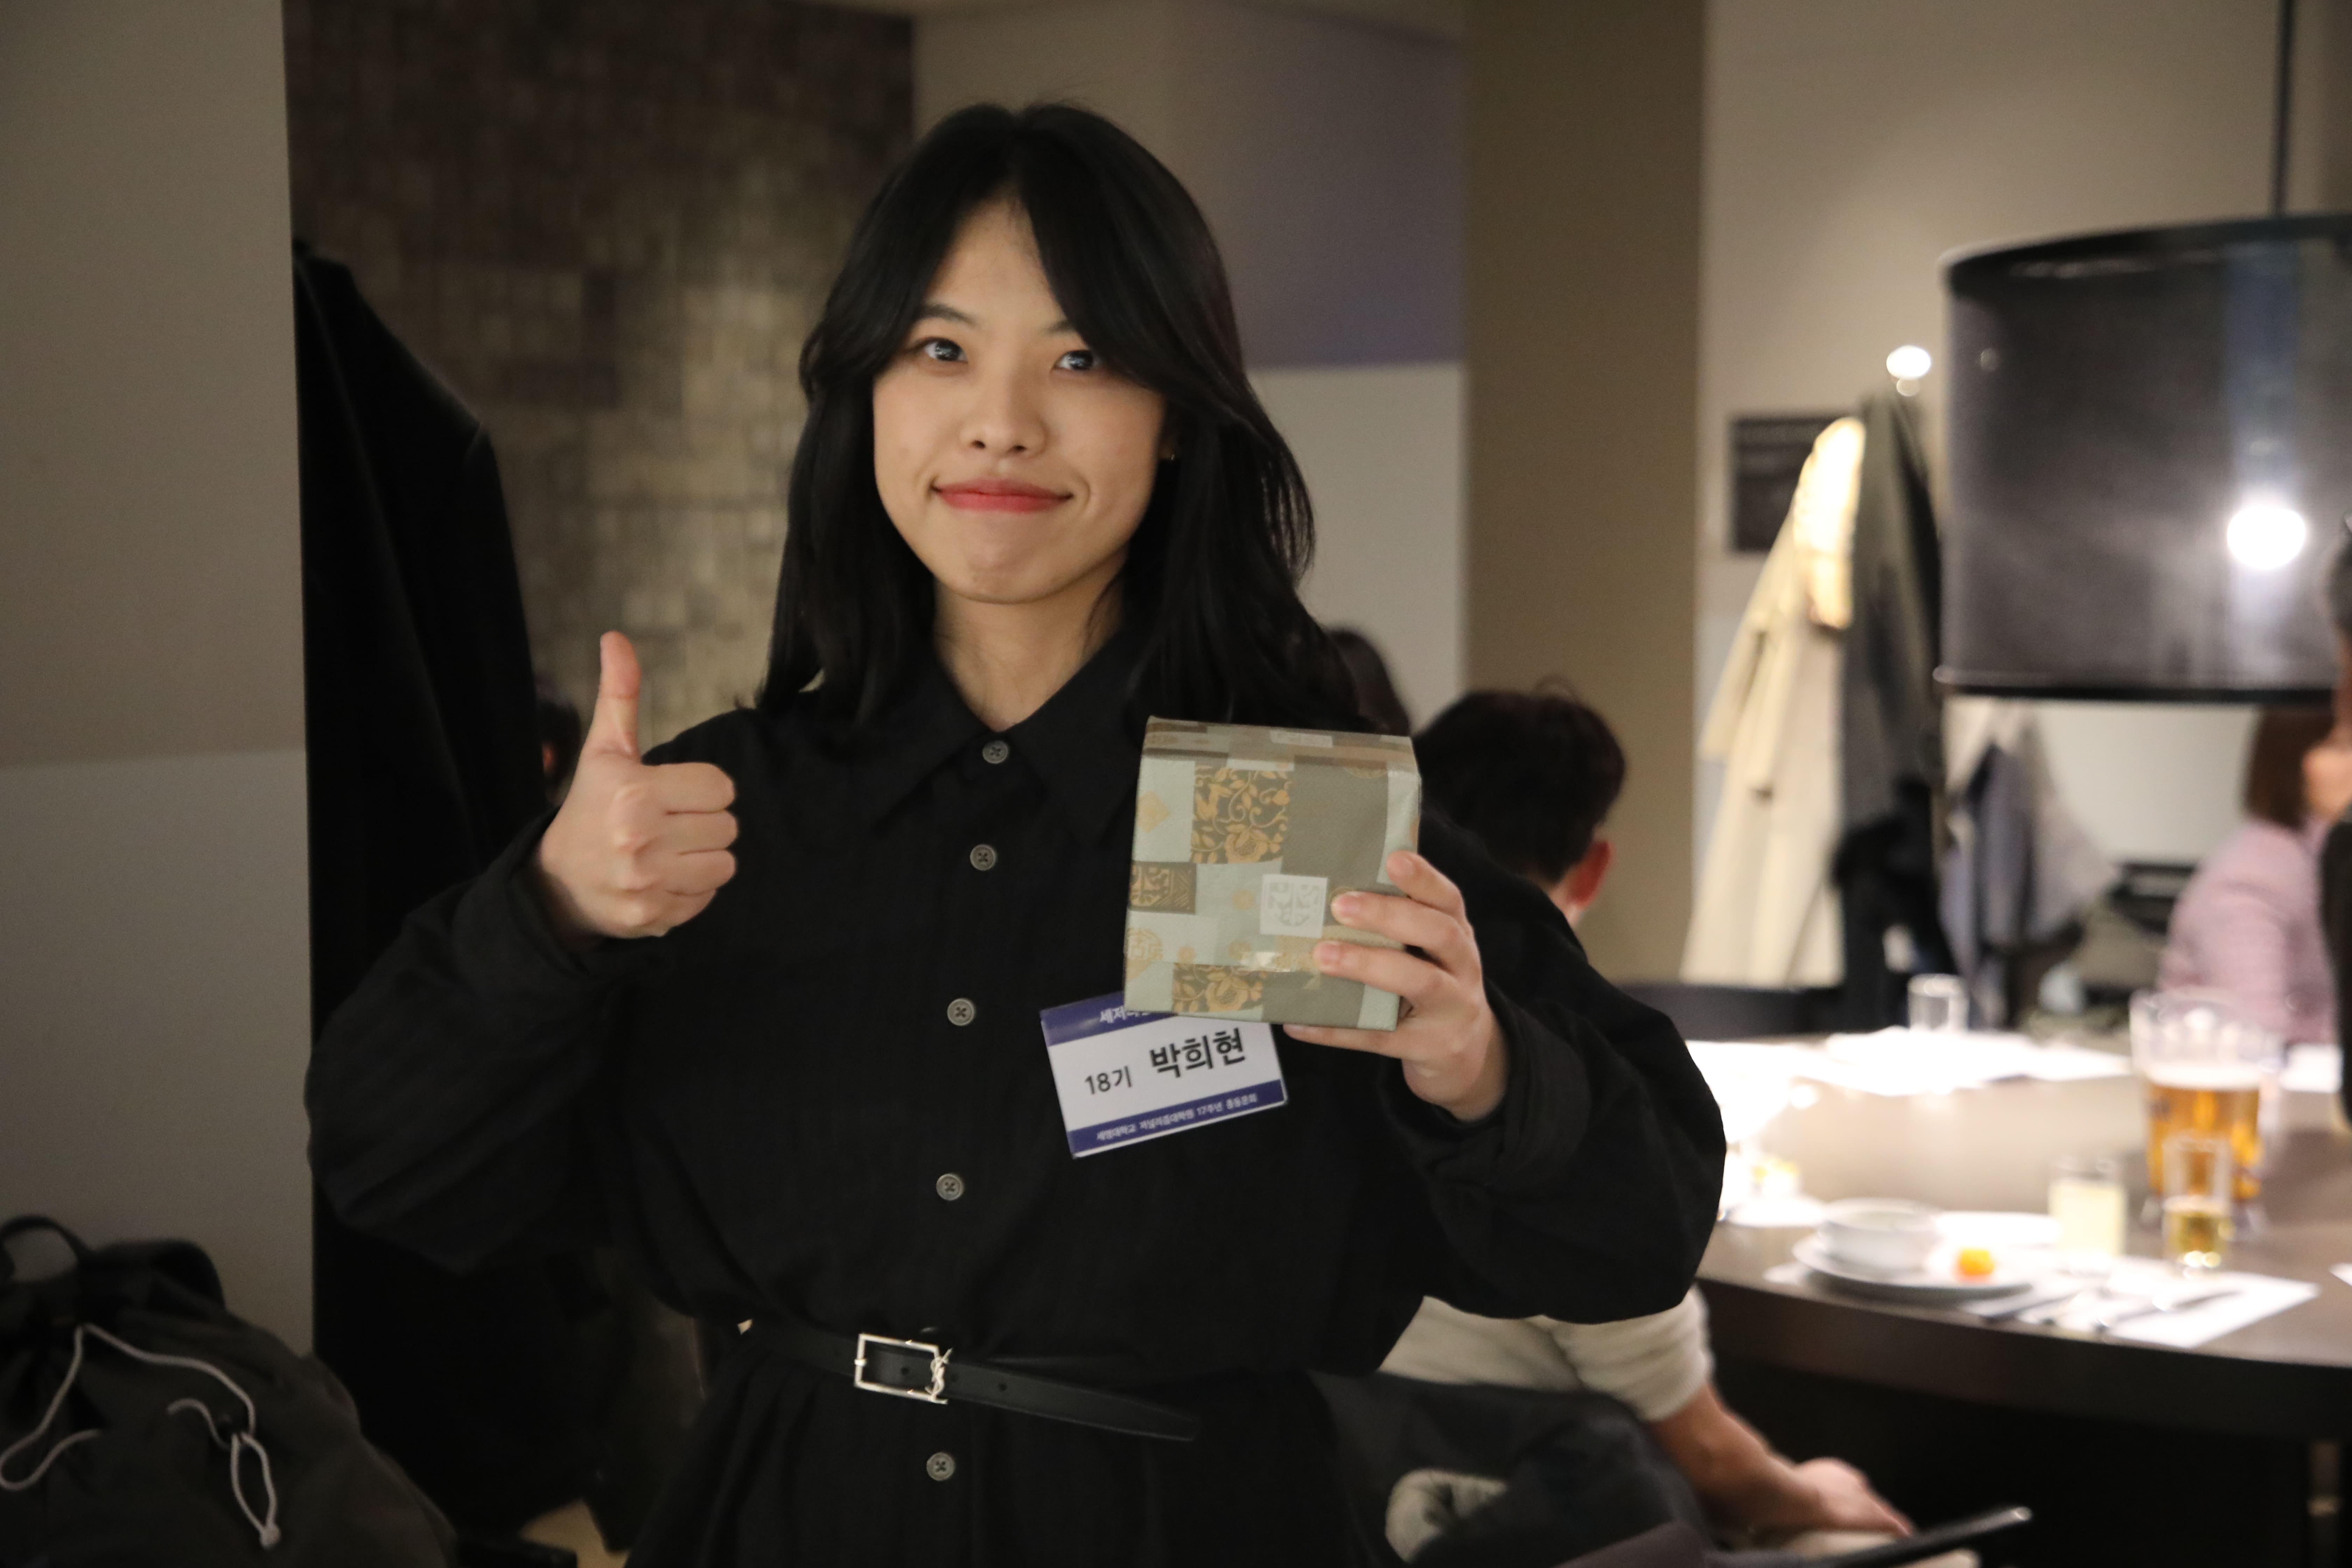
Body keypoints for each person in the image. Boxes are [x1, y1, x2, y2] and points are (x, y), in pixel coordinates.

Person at [307, 104, 1721, 1567]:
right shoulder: (722, 823)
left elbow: (1642, 1234)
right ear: (864, 392)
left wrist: (1483, 1070)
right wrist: (546, 914)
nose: (1002, 421)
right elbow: (383, 1168)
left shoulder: (1277, 818)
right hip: (790, 1518)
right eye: (941, 350)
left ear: (1180, 416)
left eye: (1082, 358)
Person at [1326, 688, 1909, 1560]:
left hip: (1350, 1498)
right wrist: (1813, 1489)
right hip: (1525, 1518)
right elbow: (1710, 1458)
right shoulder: (1573, 1125)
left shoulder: (1326, 1036)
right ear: (1594, 867)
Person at [2162, 707, 2346, 1044]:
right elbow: (2257, 1026)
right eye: (2341, 745)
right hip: (2233, 1068)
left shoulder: (2332, 852)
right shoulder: (2252, 876)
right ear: (2292, 759)